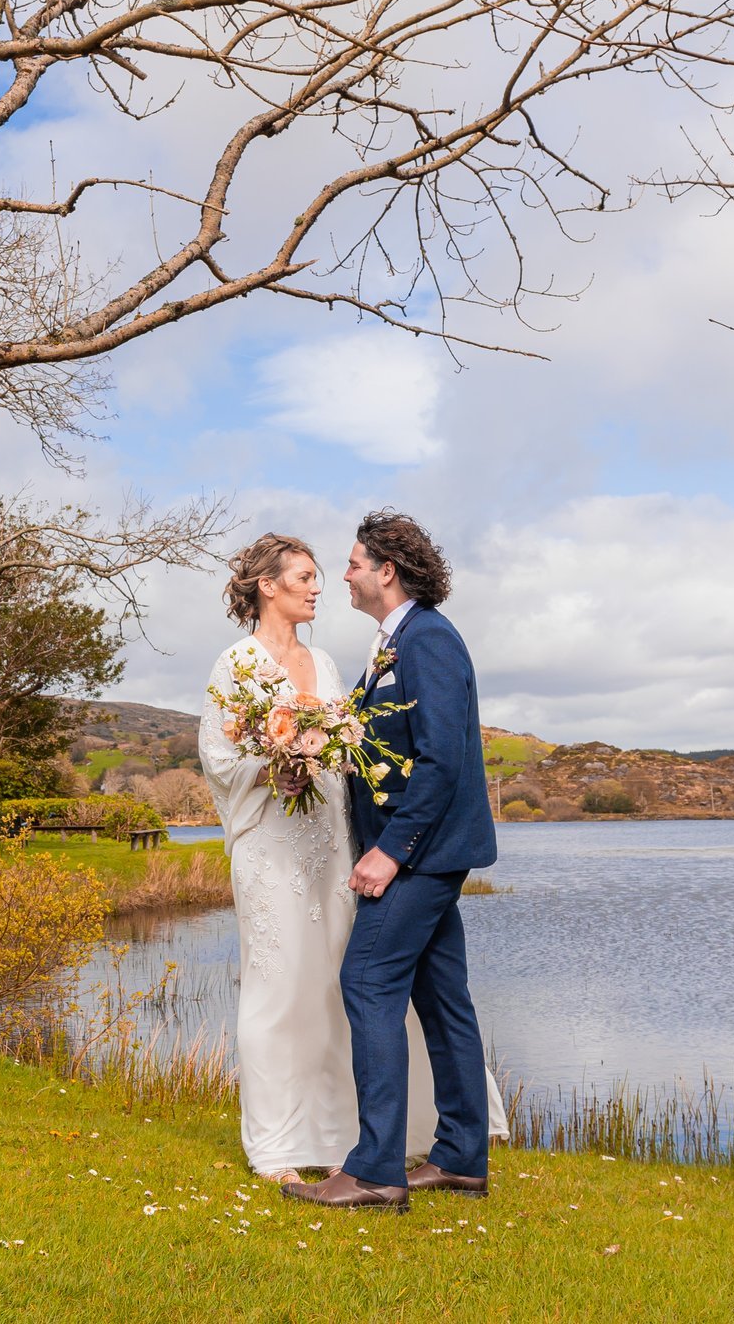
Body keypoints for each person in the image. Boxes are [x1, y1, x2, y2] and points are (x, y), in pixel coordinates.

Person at [196, 531, 503, 1188]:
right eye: (305, 575)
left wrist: (378, 836)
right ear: (267, 585)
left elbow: (369, 751)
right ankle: (280, 1143)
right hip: (276, 849)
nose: (323, 583)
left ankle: (358, 1146)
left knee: (351, 991)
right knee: (281, 991)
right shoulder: (236, 664)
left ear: (386, 572)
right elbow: (219, 761)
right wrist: (273, 765)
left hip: (342, 850)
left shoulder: (338, 661)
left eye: (338, 569)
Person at [285, 511, 498, 1213]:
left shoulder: (427, 641)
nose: (341, 575)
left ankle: (376, 1169)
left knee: (368, 980)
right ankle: (463, 1157)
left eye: (351, 563)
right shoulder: (393, 645)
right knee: (441, 998)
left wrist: (389, 851)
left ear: (387, 571)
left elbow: (441, 761)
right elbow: (380, 747)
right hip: (422, 852)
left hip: (420, 855)